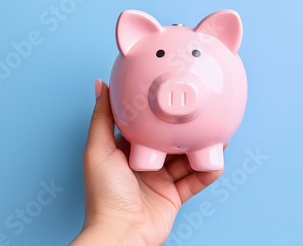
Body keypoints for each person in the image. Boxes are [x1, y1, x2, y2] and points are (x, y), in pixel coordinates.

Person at [70, 80, 225, 245]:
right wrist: (118, 221)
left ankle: (201, 152)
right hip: (143, 141)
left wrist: (116, 224)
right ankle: (149, 154)